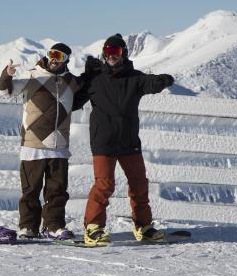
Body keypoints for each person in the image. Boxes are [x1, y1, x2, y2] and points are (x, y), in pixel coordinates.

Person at [75, 33, 175, 245]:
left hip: (129, 140)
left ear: (124, 54)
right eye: (108, 51)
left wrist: (162, 80)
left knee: (139, 184)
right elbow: (74, 102)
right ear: (104, 53)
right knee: (104, 185)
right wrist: (83, 79)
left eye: (116, 52)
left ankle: (143, 227)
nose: (112, 56)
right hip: (103, 140)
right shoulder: (94, 78)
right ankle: (93, 228)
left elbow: (149, 83)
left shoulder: (134, 78)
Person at [0, 43, 83, 240]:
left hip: (59, 146)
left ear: (66, 60)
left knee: (57, 191)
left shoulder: (71, 81)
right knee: (30, 190)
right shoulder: (32, 75)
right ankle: (28, 227)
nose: (54, 58)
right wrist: (7, 74)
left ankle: (53, 226)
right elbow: (6, 91)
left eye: (59, 56)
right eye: (52, 54)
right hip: (33, 145)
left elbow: (87, 91)